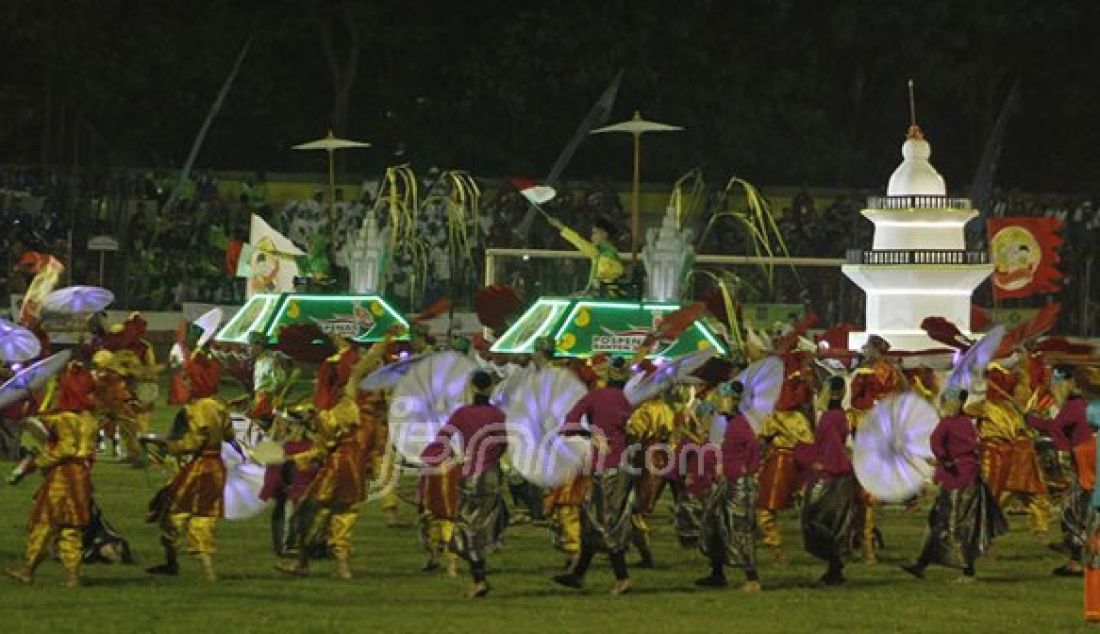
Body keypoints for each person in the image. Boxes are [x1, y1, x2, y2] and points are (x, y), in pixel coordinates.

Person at [275, 348, 370, 580]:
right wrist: (386, 340)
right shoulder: (350, 403)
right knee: (344, 516)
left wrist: (292, 458)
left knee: (306, 513)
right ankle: (343, 568)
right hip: (355, 468)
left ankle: (302, 563)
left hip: (336, 466)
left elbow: (321, 449)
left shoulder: (327, 414)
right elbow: (361, 369)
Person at [5, 365, 100, 587]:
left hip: (64, 475)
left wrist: (37, 463)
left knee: (45, 522)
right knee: (71, 526)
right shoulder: (89, 418)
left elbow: (65, 449)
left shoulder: (66, 418)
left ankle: (28, 570)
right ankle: (72, 575)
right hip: (81, 476)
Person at [902, 387, 1007, 582]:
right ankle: (921, 564)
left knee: (954, 524)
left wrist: (943, 461)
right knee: (939, 522)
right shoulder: (968, 423)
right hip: (969, 475)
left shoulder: (947, 424)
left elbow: (937, 445)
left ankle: (967, 570)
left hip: (956, 479)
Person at [421, 370, 509, 598]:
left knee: (465, 531)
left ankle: (479, 579)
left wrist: (445, 459)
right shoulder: (498, 414)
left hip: (471, 476)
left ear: (471, 387)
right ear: (490, 388)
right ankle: (482, 573)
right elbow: (503, 444)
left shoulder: (461, 414)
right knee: (486, 523)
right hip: (493, 475)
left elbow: (442, 439)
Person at [553, 357, 636, 595]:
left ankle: (622, 578)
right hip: (623, 464)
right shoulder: (627, 401)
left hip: (605, 465)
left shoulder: (594, 397)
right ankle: (578, 574)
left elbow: (568, 424)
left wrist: (589, 433)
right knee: (595, 518)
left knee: (604, 520)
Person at [144, 397, 234, 582]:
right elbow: (230, 435)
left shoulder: (194, 409)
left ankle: (181, 565)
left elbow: (193, 443)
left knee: (175, 514)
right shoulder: (219, 406)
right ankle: (206, 571)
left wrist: (166, 445)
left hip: (199, 468)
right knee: (205, 516)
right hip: (217, 466)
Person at [693, 381, 763, 592]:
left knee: (739, 529)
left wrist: (745, 471)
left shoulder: (741, 425)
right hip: (727, 482)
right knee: (713, 523)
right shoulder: (732, 424)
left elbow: (754, 451)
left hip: (739, 484)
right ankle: (717, 572)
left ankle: (752, 578)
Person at [1027, 366, 1097, 576]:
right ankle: (1079, 555)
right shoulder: (1081, 404)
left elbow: (1055, 428)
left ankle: (1077, 559)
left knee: (1073, 510)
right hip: (1087, 459)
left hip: (1084, 461)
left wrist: (1030, 420)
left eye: (1055, 383)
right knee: (1079, 509)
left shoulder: (1073, 406)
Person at [848, 335, 905, 562]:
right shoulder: (891, 372)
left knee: (864, 495)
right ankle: (864, 540)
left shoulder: (873, 373)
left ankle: (866, 543)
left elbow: (855, 400)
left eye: (868, 348)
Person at [755, 350, 815, 564]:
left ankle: (777, 551)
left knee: (764, 511)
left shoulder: (777, 416)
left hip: (779, 465)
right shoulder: (802, 418)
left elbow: (759, 439)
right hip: (801, 468)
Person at [801, 376, 859, 586]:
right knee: (833, 521)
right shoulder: (840, 415)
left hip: (831, 473)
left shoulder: (829, 417)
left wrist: (824, 464)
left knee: (817, 519)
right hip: (838, 471)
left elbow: (832, 445)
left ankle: (835, 565)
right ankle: (835, 567)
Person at [547, 216, 625, 296]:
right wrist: (560, 226)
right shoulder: (598, 252)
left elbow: (602, 282)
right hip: (600, 295)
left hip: (605, 297)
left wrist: (586, 293)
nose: (591, 237)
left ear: (604, 234)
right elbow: (579, 241)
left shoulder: (607, 255)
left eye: (595, 233)